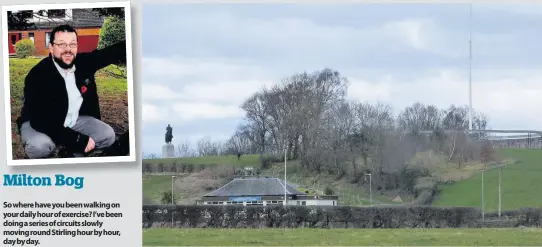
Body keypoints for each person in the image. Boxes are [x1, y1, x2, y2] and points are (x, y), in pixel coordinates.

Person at [16, 24, 127, 158]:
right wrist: (77, 139)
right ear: (51, 47)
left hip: (71, 119)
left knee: (107, 135)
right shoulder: (38, 75)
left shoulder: (83, 63)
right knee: (40, 147)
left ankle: (70, 154)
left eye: (72, 44)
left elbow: (110, 54)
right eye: (61, 44)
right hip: (38, 121)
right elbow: (41, 120)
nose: (68, 50)